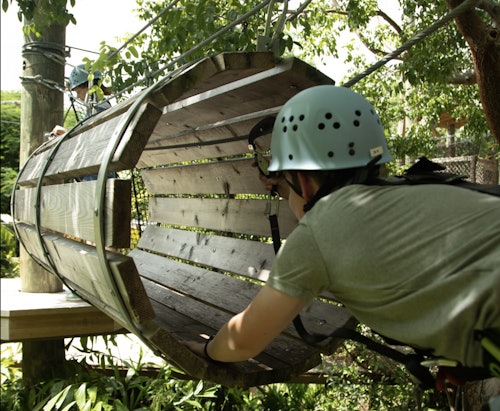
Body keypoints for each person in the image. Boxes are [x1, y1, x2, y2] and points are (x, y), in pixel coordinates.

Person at [186, 85, 500, 380]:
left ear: (303, 182)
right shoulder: (417, 188)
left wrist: (207, 350)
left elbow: (242, 342)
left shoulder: (318, 233)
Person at [51, 63, 112, 137]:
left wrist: (67, 133)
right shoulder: (94, 108)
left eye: (78, 92)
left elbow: (91, 136)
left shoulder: (100, 107)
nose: (78, 96)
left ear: (90, 87)